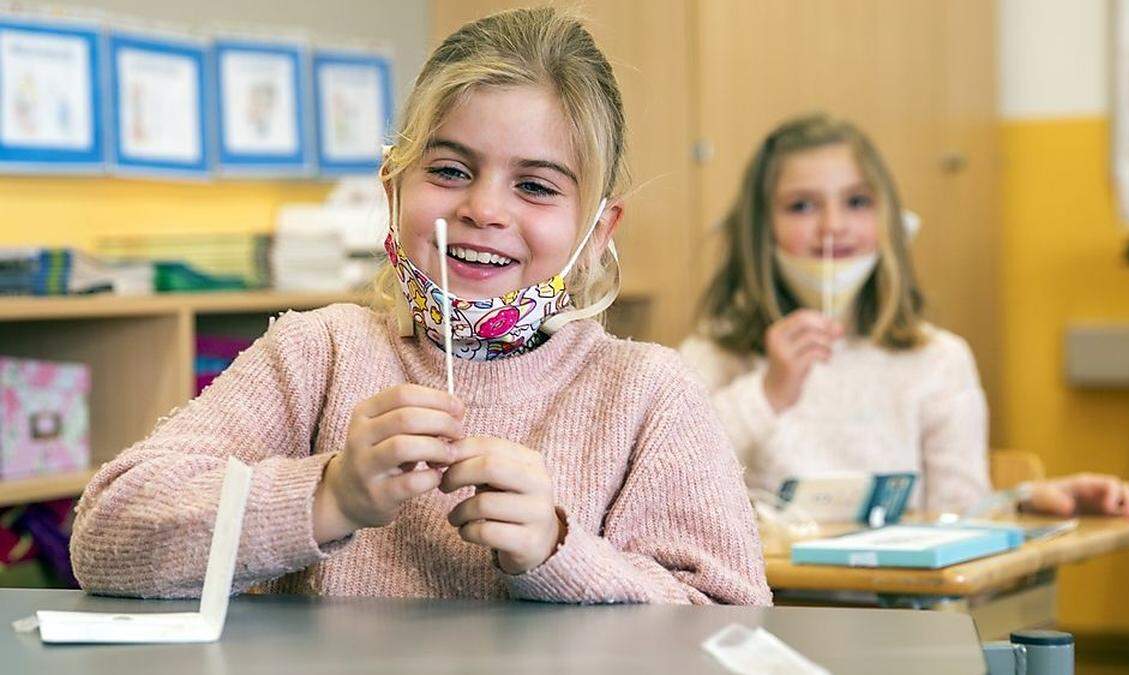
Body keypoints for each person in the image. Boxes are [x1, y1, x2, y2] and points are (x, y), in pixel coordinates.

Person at [71, 7, 771, 606]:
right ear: (393, 188)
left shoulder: (650, 393)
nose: (484, 209)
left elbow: (731, 622)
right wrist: (329, 494)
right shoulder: (318, 354)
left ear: (597, 234)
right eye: (449, 171)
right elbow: (104, 536)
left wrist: (560, 552)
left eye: (536, 186)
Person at [679, 114, 1129, 519]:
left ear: (889, 221)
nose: (833, 227)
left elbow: (960, 516)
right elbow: (671, 482)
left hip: (899, 611)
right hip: (764, 605)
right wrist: (769, 393)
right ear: (760, 230)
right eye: (802, 206)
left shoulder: (936, 359)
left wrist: (1025, 502)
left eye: (857, 202)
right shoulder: (713, 354)